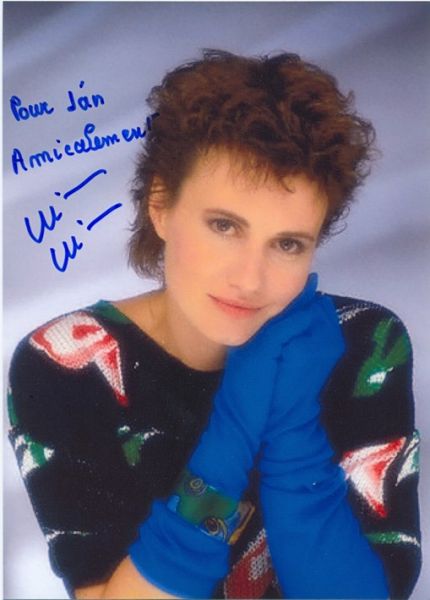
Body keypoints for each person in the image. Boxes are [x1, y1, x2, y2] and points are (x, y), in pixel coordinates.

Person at [7, 50, 421, 600]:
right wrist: (235, 429)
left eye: (287, 244)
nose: (250, 279)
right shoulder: (67, 364)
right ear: (161, 206)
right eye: (225, 226)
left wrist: (293, 425)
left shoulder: (364, 343)